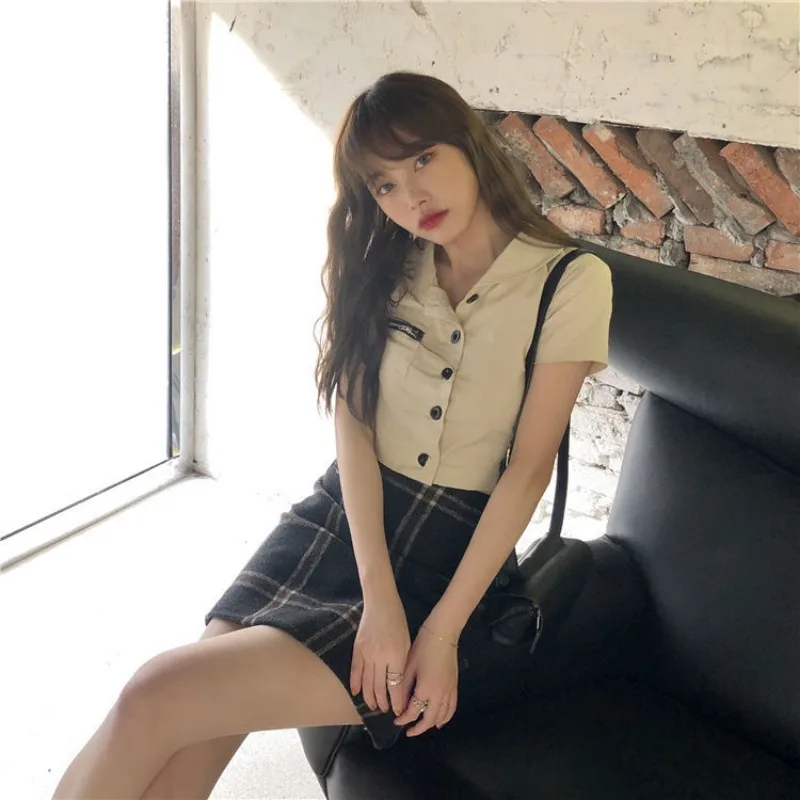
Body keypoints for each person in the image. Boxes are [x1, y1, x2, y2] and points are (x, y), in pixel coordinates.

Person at [53, 71, 612, 799]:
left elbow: (528, 471)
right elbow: (353, 423)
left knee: (155, 694)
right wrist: (376, 596)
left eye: (423, 159)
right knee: (184, 731)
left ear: (469, 144)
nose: (412, 197)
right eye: (384, 184)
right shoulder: (388, 262)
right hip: (344, 517)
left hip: (448, 558)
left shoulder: (571, 280)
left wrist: (438, 633)